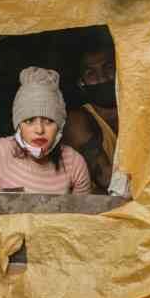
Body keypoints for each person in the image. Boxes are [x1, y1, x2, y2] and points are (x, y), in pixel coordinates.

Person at [63, 38, 118, 194]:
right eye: (91, 73)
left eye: (108, 68)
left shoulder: (140, 112)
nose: (102, 78)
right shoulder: (77, 121)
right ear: (81, 83)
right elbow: (107, 180)